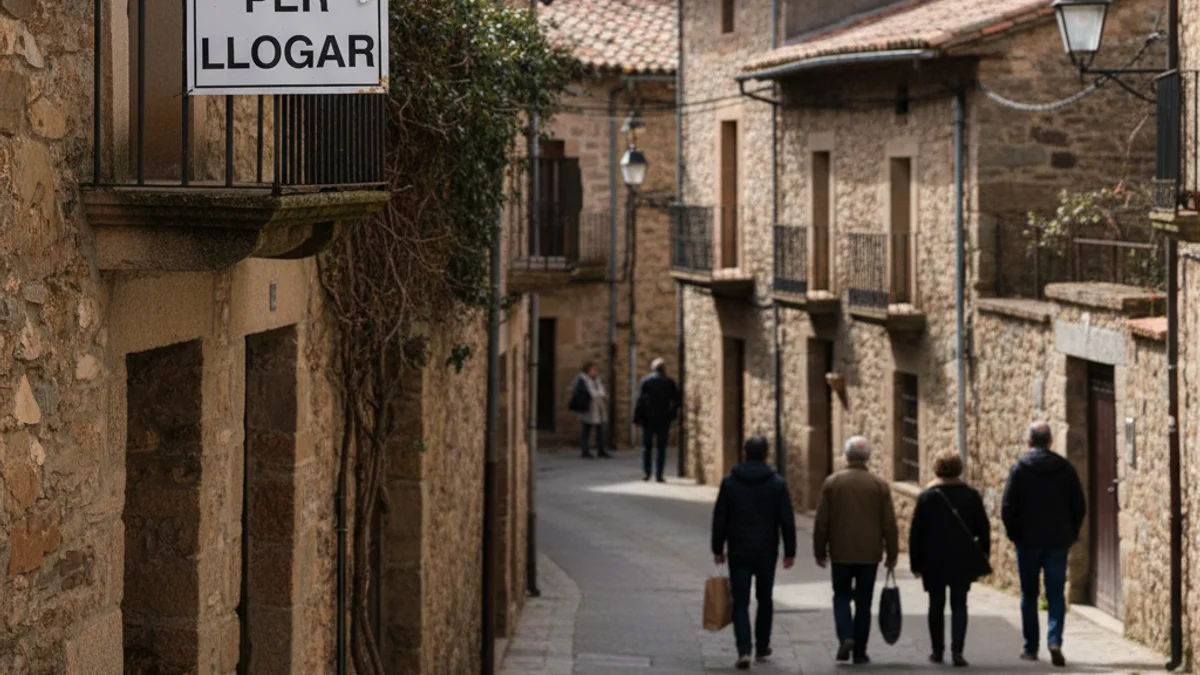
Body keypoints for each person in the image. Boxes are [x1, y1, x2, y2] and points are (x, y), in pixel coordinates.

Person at [1002, 421, 1085, 668]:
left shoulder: (1019, 469)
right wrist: (1071, 534)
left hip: (1027, 542)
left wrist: (1014, 534)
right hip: (1057, 541)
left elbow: (1007, 508)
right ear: (1050, 442)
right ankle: (1055, 640)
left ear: (1029, 443)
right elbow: (1079, 506)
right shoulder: (1065, 468)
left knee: (1029, 594)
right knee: (1056, 594)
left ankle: (1030, 647)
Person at [711, 437, 797, 671]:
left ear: (744, 453)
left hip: (738, 549)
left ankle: (744, 649)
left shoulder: (730, 483)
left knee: (740, 601)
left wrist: (717, 549)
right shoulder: (777, 484)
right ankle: (762, 645)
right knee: (765, 598)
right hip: (766, 550)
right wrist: (790, 551)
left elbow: (720, 518)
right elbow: (787, 521)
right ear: (766, 455)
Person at [813, 436, 898, 665]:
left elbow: (822, 521)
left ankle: (846, 636)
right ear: (868, 457)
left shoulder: (832, 483)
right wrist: (892, 553)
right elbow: (889, 522)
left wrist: (819, 550)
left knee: (840, 596)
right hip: (870, 554)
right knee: (863, 602)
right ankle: (860, 652)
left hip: (841, 551)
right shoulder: (879, 485)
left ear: (846, 456)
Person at [910, 450, 992, 668]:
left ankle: (937, 652)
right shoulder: (971, 496)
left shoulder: (927, 497)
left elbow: (916, 532)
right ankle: (958, 651)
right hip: (962, 559)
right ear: (959, 468)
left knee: (935, 605)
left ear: (936, 468)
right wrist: (984, 554)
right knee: (960, 604)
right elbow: (983, 528)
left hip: (933, 560)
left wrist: (915, 563)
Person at [634, 357, 679, 482]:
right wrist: (672, 415)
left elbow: (640, 401)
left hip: (648, 419)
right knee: (661, 447)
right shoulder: (670, 382)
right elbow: (676, 401)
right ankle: (659, 474)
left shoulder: (646, 381)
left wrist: (637, 418)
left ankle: (647, 473)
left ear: (653, 369)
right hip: (663, 419)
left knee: (646, 446)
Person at [569, 362, 611, 459]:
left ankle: (601, 449)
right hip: (588, 407)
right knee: (586, 429)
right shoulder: (582, 380)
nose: (595, 372)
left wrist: (603, 395)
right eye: (593, 370)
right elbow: (588, 392)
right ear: (588, 370)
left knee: (601, 429)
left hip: (598, 407)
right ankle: (585, 451)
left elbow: (601, 390)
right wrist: (599, 394)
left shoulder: (597, 379)